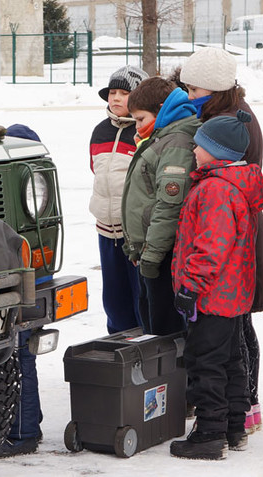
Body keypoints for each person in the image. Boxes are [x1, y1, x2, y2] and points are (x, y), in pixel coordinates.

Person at [179, 46, 263, 433]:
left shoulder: (228, 132)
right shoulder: (225, 120)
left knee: (220, 350)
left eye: (194, 89)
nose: (189, 96)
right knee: (231, 347)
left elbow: (212, 244)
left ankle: (220, 424)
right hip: (231, 263)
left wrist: (191, 281)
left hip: (221, 272)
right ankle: (236, 420)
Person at [169, 110, 263, 460]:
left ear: (218, 151)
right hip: (232, 294)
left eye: (200, 144)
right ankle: (234, 427)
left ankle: (210, 433)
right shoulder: (234, 185)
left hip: (211, 294)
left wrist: (190, 286)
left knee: (204, 360)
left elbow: (211, 246)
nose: (194, 148)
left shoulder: (215, 190)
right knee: (229, 359)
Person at [121, 77, 199, 336]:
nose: (138, 126)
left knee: (163, 333)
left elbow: (168, 207)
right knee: (151, 325)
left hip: (163, 254)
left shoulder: (175, 142)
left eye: (141, 119)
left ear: (163, 109)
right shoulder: (161, 137)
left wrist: (151, 256)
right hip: (150, 251)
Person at [0, 124, 44, 458]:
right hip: (24, 287)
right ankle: (25, 425)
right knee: (20, 357)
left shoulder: (19, 199)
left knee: (20, 355)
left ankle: (23, 432)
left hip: (23, 290)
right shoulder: (30, 193)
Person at [89, 65, 148, 334]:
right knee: (114, 299)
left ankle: (146, 341)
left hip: (133, 233)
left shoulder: (143, 133)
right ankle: (119, 341)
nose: (115, 98)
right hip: (106, 229)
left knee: (140, 296)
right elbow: (95, 169)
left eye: (124, 92)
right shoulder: (100, 131)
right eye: (112, 92)